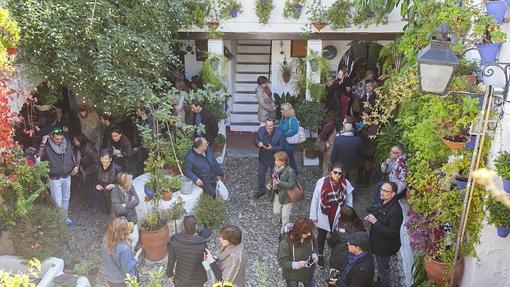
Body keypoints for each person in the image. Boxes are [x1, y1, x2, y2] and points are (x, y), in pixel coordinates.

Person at [310, 162, 354, 268]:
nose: (337, 175)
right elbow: (315, 199)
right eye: (335, 172)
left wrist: (348, 214)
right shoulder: (321, 182)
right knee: (321, 235)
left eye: (340, 173)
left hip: (338, 214)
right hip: (324, 213)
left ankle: (335, 257)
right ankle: (320, 255)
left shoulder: (345, 183)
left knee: (337, 236)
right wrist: (313, 215)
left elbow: (349, 199)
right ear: (331, 171)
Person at [38, 127, 78, 225]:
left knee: (66, 198)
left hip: (67, 175)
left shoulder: (67, 142)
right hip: (54, 178)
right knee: (57, 201)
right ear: (52, 136)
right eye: (56, 139)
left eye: (60, 138)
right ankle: (59, 221)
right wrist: (43, 143)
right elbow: (38, 157)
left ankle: (64, 218)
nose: (59, 140)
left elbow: (72, 154)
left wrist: (76, 165)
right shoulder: (47, 145)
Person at [366, 181, 403, 287]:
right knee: (382, 268)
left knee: (384, 271)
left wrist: (375, 222)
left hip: (384, 247)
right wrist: (372, 218)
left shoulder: (395, 211)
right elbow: (381, 216)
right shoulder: (385, 202)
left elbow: (392, 233)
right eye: (381, 189)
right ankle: (380, 282)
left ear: (393, 194)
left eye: (386, 191)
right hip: (378, 243)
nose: (381, 192)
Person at [167, 215, 208, 287]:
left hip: (181, 277)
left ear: (183, 227)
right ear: (196, 226)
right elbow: (205, 261)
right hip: (197, 279)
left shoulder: (175, 240)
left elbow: (171, 260)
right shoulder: (202, 243)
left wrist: (169, 274)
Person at [102, 217, 142, 287]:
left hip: (111, 278)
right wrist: (136, 257)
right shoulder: (124, 248)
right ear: (125, 231)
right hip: (122, 281)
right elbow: (127, 268)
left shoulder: (106, 241)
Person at [277, 218, 318, 287]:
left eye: (309, 231)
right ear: (299, 232)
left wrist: (314, 254)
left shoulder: (309, 235)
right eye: (306, 232)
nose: (309, 234)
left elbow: (315, 246)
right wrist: (297, 264)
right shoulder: (286, 242)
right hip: (292, 275)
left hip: (308, 273)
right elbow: (282, 261)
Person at [253, 118, 285, 199]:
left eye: (270, 126)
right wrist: (258, 143)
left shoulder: (279, 133)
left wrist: (272, 148)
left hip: (274, 159)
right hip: (263, 157)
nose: (268, 127)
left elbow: (282, 146)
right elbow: (255, 140)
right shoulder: (261, 129)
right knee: (260, 175)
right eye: (267, 125)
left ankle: (274, 192)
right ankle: (261, 190)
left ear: (274, 125)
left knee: (274, 176)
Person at [327, 206, 365, 272]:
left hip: (342, 258)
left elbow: (331, 243)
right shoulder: (359, 224)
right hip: (356, 256)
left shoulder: (340, 229)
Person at [268, 151, 296, 229]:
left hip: (287, 196)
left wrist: (280, 183)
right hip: (278, 194)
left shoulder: (290, 171)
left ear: (283, 161)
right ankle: (282, 218)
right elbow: (273, 178)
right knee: (276, 211)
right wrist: (270, 184)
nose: (275, 162)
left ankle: (283, 232)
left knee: (285, 217)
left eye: (277, 160)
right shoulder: (275, 168)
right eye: (275, 160)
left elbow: (292, 185)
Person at [110, 172, 140, 248]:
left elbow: (137, 200)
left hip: (132, 218)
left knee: (135, 238)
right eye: (130, 181)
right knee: (123, 241)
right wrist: (131, 204)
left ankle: (131, 251)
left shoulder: (131, 187)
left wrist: (126, 204)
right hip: (121, 222)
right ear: (124, 183)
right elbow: (119, 210)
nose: (132, 183)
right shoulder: (114, 192)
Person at [72, 133, 99, 211]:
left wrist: (87, 172)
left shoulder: (90, 149)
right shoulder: (79, 147)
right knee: (86, 189)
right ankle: (89, 203)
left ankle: (94, 206)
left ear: (80, 141)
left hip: (90, 172)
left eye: (75, 140)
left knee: (92, 189)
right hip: (83, 171)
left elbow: (96, 162)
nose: (74, 141)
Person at [356, 108, 378, 187]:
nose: (363, 117)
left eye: (365, 115)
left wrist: (363, 127)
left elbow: (370, 136)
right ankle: (359, 178)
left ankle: (366, 181)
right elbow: (357, 131)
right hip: (360, 146)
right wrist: (360, 127)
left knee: (367, 164)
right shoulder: (361, 123)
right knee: (360, 163)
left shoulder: (374, 125)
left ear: (370, 116)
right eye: (363, 115)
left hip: (368, 147)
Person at [96, 148, 122, 215]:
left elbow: (123, 182)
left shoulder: (117, 168)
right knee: (106, 213)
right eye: (102, 159)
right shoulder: (98, 167)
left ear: (110, 159)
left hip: (113, 196)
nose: (103, 161)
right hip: (103, 195)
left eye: (106, 159)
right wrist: (97, 185)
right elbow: (95, 179)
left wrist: (114, 185)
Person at [278, 103, 299, 173]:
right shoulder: (284, 117)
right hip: (283, 142)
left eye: (282, 110)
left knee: (285, 159)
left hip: (288, 143)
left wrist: (284, 135)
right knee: (291, 158)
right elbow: (280, 127)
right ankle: (295, 171)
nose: (280, 111)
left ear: (287, 111)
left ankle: (286, 174)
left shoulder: (292, 119)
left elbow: (295, 130)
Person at [317, 111, 337, 176]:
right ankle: (328, 179)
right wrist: (326, 141)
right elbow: (323, 135)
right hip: (329, 147)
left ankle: (324, 177)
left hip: (327, 148)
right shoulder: (331, 126)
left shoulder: (327, 123)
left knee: (325, 163)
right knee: (329, 163)